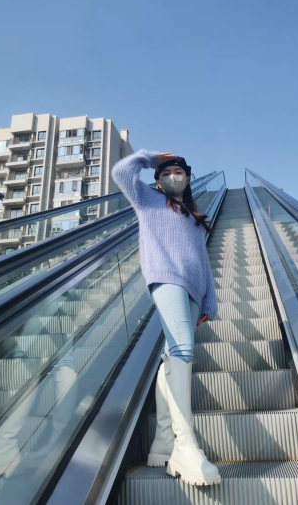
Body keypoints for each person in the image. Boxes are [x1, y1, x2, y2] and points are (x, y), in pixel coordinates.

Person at [112, 150, 221, 486]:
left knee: (171, 358)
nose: (173, 176)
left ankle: (162, 441)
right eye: (167, 173)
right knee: (182, 351)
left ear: (187, 179)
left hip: (194, 289)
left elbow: (203, 261)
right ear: (158, 181)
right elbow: (122, 171)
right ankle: (185, 446)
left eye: (179, 172)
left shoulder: (193, 217)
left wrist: (209, 301)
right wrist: (152, 157)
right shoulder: (148, 201)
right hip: (166, 279)